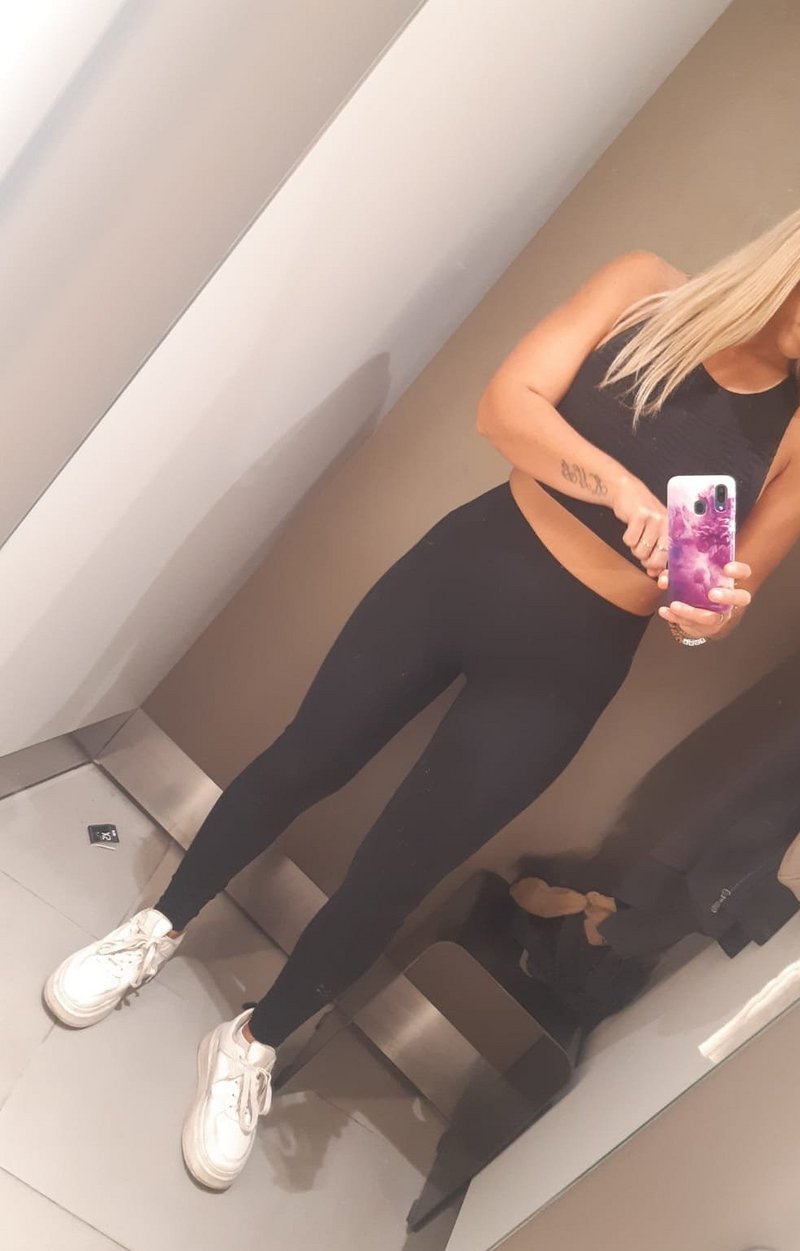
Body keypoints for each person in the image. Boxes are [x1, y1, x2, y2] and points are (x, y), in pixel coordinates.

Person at [44, 210, 800, 1191]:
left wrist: (704, 614)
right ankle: (157, 924)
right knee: (303, 759)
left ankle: (254, 1040)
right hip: (460, 574)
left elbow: (719, 600)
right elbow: (505, 406)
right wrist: (622, 492)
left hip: (571, 664)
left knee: (401, 867)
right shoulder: (643, 287)